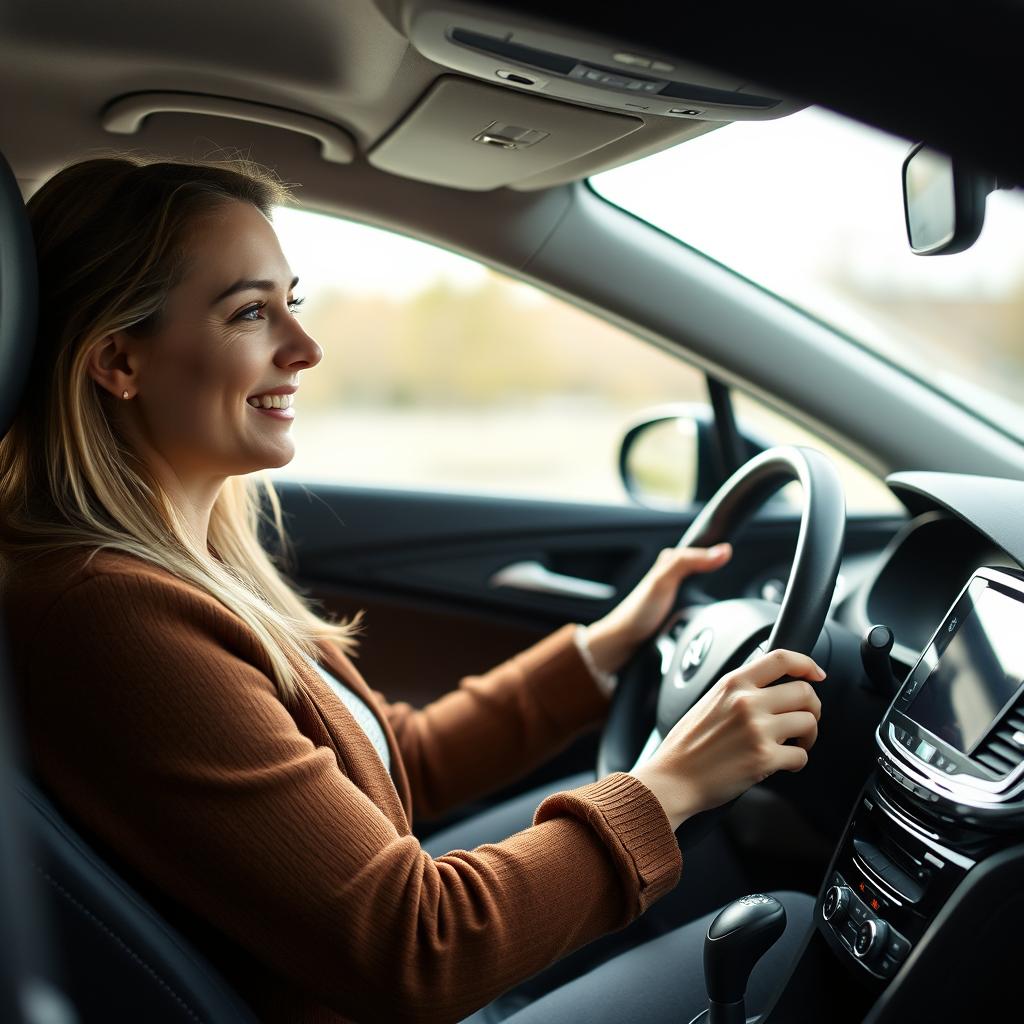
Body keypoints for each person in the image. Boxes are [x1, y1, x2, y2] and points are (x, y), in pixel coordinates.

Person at [0, 156, 825, 1023]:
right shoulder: (111, 613)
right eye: (250, 311)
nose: (305, 347)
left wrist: (601, 649)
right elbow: (420, 946)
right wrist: (673, 783)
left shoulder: (178, 566)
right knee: (794, 936)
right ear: (117, 361)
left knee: (726, 865)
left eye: (293, 302)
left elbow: (393, 763)